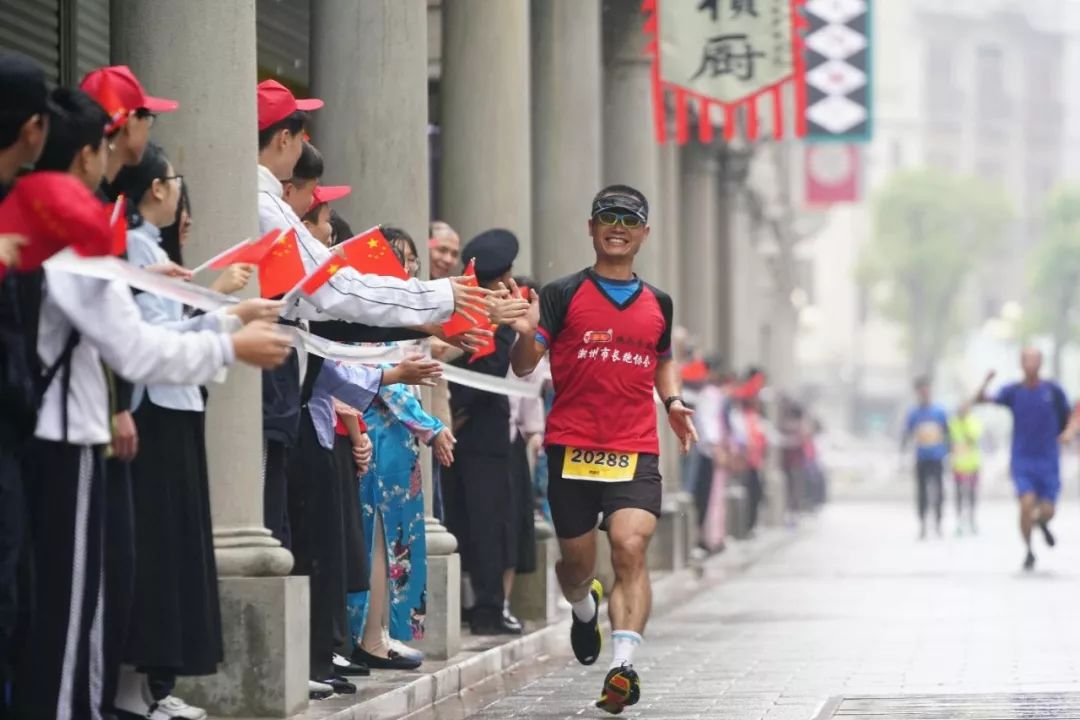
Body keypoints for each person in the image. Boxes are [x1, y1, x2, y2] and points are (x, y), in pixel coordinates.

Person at [9, 186, 290, 720]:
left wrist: (223, 322)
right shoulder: (80, 235)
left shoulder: (92, 238)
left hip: (74, 434)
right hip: (68, 439)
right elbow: (133, 346)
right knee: (66, 613)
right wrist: (227, 338)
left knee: (77, 604)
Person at [109, 142, 283, 719]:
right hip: (153, 412)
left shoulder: (145, 246)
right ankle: (131, 695)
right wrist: (231, 323)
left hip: (173, 409)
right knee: (155, 553)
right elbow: (151, 341)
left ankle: (147, 691)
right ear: (158, 188)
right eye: (176, 179)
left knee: (171, 553)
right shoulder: (132, 245)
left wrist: (228, 315)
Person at [509, 185, 697, 714]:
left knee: (630, 548)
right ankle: (583, 607)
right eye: (607, 217)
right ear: (591, 228)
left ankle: (623, 667)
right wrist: (524, 333)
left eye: (629, 220)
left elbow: (663, 358)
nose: (618, 226)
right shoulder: (561, 294)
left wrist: (673, 402)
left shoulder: (658, 302)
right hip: (571, 447)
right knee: (576, 566)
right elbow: (524, 366)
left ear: (644, 233)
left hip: (634, 448)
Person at [348, 228, 457, 669]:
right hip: (375, 435)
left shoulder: (388, 314)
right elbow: (389, 381)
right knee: (378, 535)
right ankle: (369, 636)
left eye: (411, 260)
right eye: (399, 258)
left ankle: (382, 632)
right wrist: (431, 427)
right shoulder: (368, 313)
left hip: (395, 439)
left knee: (393, 536)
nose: (408, 268)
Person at [442, 229, 529, 637]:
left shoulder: (504, 314)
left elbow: (490, 370)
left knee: (487, 522)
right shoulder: (467, 306)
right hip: (458, 429)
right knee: (465, 519)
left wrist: (455, 409)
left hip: (481, 433)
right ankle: (475, 606)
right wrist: (451, 411)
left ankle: (488, 607)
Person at [974, 348, 1070, 570]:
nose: (1030, 364)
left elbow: (1071, 415)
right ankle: (1029, 550)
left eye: (1034, 359)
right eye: (1027, 360)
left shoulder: (1052, 390)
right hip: (1023, 459)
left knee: (1048, 511)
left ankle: (1041, 522)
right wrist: (985, 382)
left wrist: (1069, 432)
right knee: (1026, 504)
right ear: (1021, 363)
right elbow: (980, 400)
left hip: (1048, 460)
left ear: (1041, 363)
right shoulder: (1013, 391)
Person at [902, 377, 950, 539]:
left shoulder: (939, 412)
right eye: (921, 390)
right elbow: (907, 433)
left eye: (927, 389)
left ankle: (938, 523)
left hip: (937, 458)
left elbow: (948, 432)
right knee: (921, 492)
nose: (925, 393)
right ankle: (922, 523)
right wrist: (903, 452)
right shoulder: (914, 413)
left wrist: (949, 451)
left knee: (939, 491)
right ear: (917, 393)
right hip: (921, 458)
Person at [949, 404, 982, 536]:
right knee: (959, 496)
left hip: (973, 465)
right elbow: (949, 439)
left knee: (972, 496)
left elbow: (973, 437)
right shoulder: (952, 423)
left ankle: (972, 521)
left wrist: (964, 424)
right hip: (958, 465)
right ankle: (959, 522)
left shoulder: (974, 422)